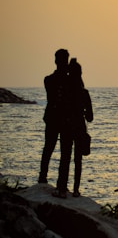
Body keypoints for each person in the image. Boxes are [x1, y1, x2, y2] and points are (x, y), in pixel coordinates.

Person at [54, 58, 93, 198]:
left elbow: (59, 109)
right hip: (80, 127)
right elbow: (90, 117)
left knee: (65, 157)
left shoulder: (64, 91)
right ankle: (76, 190)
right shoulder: (84, 93)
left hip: (66, 126)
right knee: (78, 159)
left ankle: (62, 189)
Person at [38, 49, 70, 184]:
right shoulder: (50, 79)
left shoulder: (66, 80)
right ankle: (43, 177)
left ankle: (60, 182)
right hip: (55, 118)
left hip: (63, 119)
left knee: (64, 151)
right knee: (51, 148)